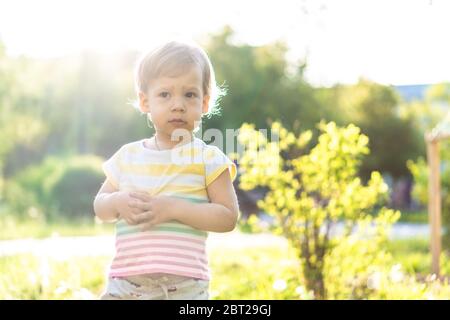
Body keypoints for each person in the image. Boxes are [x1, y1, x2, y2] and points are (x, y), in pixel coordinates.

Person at [93, 40, 239, 300]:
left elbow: (227, 217)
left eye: (190, 94)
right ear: (144, 101)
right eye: (165, 94)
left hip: (184, 289)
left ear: (204, 103)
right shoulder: (128, 156)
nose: (178, 105)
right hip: (127, 284)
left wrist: (174, 208)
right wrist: (117, 201)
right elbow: (100, 207)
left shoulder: (209, 159)